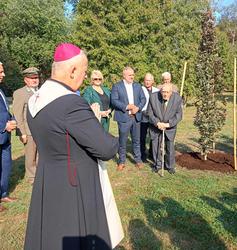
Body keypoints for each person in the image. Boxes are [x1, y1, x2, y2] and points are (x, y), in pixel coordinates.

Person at [24, 43, 122, 250]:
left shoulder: (35, 100)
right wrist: (95, 120)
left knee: (50, 232)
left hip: (48, 177)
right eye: (85, 72)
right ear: (73, 70)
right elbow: (106, 149)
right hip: (75, 185)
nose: (85, 77)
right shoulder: (71, 104)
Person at [111, 66, 146, 171]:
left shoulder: (138, 86)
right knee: (122, 141)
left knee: (136, 140)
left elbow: (143, 99)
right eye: (130, 75)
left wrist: (138, 108)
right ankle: (121, 161)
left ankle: (138, 160)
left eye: (133, 74)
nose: (132, 76)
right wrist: (127, 107)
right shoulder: (117, 86)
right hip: (123, 117)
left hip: (136, 117)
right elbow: (114, 100)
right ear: (124, 75)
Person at [147, 84, 183, 174]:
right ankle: (157, 165)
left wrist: (168, 124)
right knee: (155, 147)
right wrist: (157, 123)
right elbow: (149, 113)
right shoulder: (153, 97)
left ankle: (170, 166)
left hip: (169, 127)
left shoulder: (177, 99)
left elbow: (179, 115)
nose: (165, 94)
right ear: (160, 91)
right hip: (156, 126)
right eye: (163, 92)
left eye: (167, 92)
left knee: (170, 147)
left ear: (171, 92)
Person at [12, 67, 39, 184]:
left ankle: (40, 173)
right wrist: (22, 132)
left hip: (41, 129)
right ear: (25, 80)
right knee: (30, 154)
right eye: (31, 78)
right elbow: (18, 114)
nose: (34, 80)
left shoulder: (41, 91)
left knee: (40, 153)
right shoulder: (20, 93)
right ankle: (32, 176)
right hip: (28, 130)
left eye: (36, 77)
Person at [0, 62, 17, 212]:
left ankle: (3, 194)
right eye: (0, 72)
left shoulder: (1, 89)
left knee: (5, 166)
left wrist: (12, 120)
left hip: (5, 138)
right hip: (2, 132)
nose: (3, 74)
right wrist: (3, 127)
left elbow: (5, 111)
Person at [140, 73, 159, 162]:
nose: (147, 82)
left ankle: (152, 153)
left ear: (153, 81)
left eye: (149, 80)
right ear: (144, 81)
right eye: (146, 80)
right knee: (142, 136)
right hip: (143, 116)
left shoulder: (157, 90)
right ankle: (142, 154)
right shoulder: (140, 89)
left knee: (153, 136)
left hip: (153, 117)